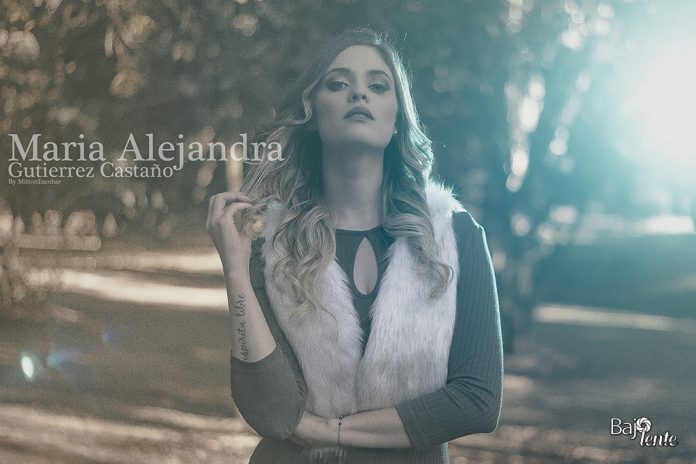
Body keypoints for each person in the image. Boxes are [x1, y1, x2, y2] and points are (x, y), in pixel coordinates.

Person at [206, 28, 503, 464]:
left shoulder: (454, 236)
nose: (359, 93)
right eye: (338, 83)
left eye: (378, 86)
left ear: (397, 118)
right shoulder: (271, 243)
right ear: (312, 114)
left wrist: (331, 431)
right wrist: (235, 270)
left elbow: (478, 400)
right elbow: (271, 409)